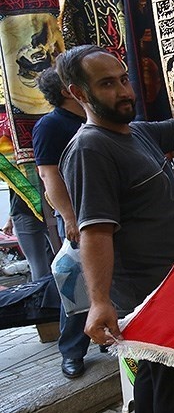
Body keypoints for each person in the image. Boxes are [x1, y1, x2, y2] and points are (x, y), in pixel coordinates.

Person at [57, 44, 174, 413]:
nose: (124, 92)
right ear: (79, 93)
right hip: (153, 295)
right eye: (107, 84)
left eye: (124, 80)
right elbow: (96, 231)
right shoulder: (91, 149)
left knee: (160, 377)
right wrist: (101, 301)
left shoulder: (134, 133)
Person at [31, 66, 92, 379]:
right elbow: (48, 174)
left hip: (105, 207)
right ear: (70, 90)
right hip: (77, 212)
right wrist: (68, 217)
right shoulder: (51, 125)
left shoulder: (93, 117)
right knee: (76, 282)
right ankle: (72, 351)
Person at [2, 190, 53, 280]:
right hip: (51, 210)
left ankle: (42, 292)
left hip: (26, 213)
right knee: (58, 260)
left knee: (38, 264)